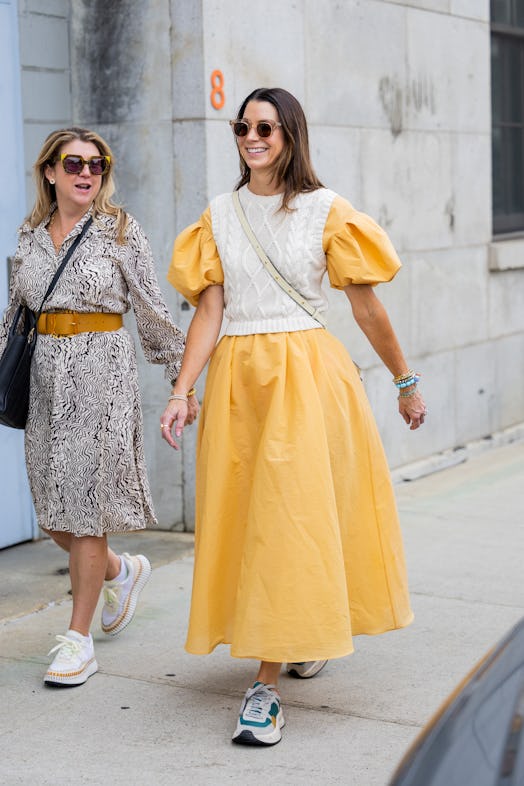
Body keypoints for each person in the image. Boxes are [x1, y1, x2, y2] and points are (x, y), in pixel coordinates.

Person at [162, 87, 427, 746]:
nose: (252, 137)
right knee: (254, 521)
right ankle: (301, 633)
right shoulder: (218, 215)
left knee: (289, 520)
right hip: (237, 385)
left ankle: (265, 686)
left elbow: (365, 307)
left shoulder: (325, 212)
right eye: (243, 127)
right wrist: (181, 390)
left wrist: (405, 380)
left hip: (307, 381)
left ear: (290, 136)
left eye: (266, 128)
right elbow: (211, 311)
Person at [0, 127, 195, 687]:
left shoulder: (120, 232)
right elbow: (15, 315)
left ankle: (78, 640)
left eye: (98, 164)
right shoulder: (29, 236)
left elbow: (153, 311)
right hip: (45, 386)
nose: (87, 172)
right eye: (75, 163)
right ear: (50, 172)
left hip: (101, 379)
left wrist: (183, 382)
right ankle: (121, 572)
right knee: (56, 515)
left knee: (86, 510)